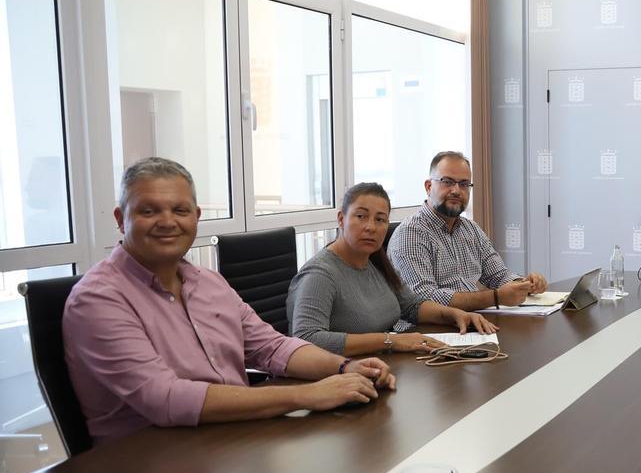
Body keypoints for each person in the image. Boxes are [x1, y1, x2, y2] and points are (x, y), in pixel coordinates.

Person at [63, 158, 395, 444]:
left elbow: (272, 347)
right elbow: (165, 399)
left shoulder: (208, 282)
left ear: (196, 216)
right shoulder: (98, 299)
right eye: (149, 210)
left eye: (180, 210)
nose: (167, 221)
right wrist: (307, 394)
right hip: (145, 468)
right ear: (121, 219)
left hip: (231, 438)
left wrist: (345, 367)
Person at [288, 182, 498, 357]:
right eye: (361, 216)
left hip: (379, 366)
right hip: (334, 379)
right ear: (341, 219)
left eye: (380, 219)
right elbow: (306, 338)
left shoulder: (375, 262)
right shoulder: (320, 274)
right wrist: (391, 341)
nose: (371, 227)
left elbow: (411, 306)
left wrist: (455, 315)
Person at [389, 151, 548, 311]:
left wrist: (525, 284)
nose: (457, 190)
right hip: (431, 329)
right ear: (429, 187)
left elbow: (498, 275)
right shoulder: (410, 233)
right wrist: (495, 297)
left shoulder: (471, 229)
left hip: (472, 322)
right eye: (447, 182)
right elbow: (424, 298)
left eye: (464, 184)